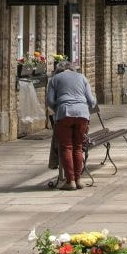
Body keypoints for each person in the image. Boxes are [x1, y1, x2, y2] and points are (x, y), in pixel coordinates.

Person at [44, 60, 96, 190]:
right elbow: (91, 101)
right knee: (78, 147)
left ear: (58, 70)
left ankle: (70, 181)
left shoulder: (55, 79)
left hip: (64, 113)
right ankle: (78, 180)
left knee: (66, 148)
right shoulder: (82, 77)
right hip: (82, 115)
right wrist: (85, 107)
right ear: (72, 68)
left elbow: (50, 101)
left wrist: (58, 108)